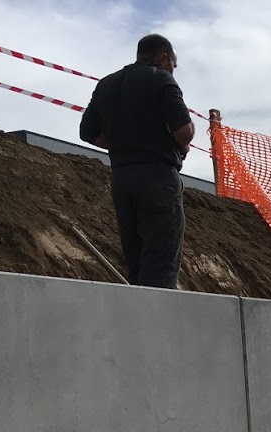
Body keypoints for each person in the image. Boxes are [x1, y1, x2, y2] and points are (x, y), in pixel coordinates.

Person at [79, 34, 195, 289]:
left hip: (122, 179)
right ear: (163, 58)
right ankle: (157, 325)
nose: (172, 71)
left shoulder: (107, 84)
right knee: (161, 260)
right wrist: (181, 141)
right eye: (173, 65)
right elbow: (183, 131)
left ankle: (138, 322)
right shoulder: (161, 79)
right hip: (158, 177)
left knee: (136, 260)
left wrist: (122, 143)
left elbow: (86, 131)